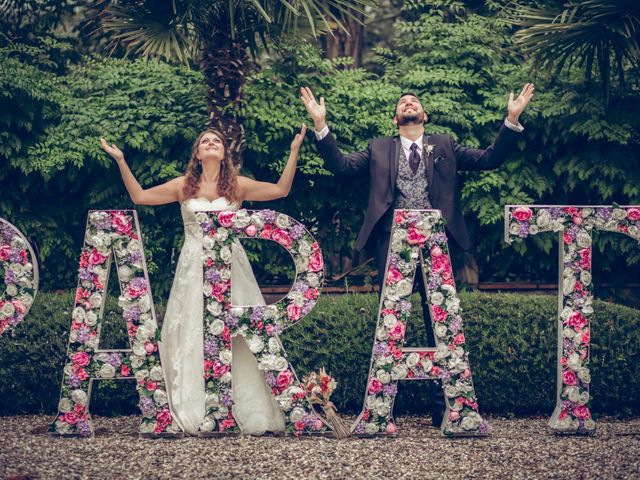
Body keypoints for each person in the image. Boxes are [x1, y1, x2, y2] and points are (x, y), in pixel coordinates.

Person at [301, 84, 534, 425]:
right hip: (391, 247)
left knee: (438, 325)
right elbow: (342, 167)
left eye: (414, 102)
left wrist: (511, 119)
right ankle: (383, 410)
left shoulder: (444, 144)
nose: (408, 103)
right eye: (402, 103)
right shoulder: (379, 148)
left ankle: (446, 409)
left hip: (437, 247)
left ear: (424, 116)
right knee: (390, 324)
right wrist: (321, 127)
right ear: (396, 118)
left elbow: (489, 159)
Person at [100, 123, 307, 435]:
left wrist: (293, 152)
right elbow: (140, 196)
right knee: (193, 329)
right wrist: (120, 161)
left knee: (238, 334)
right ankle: (196, 405)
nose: (211, 143)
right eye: (205, 141)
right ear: (197, 154)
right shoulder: (183, 186)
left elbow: (281, 190)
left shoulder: (237, 186)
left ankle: (240, 407)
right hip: (193, 266)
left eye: (216, 141)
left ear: (223, 154)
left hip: (230, 268)